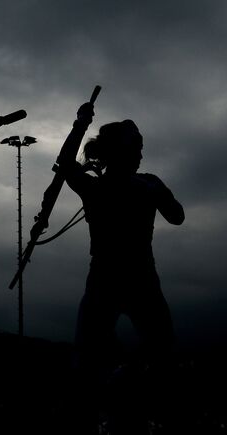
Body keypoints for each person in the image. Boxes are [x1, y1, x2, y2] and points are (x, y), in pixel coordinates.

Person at [65, 120, 184, 433]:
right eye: (137, 149)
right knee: (159, 354)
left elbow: (65, 165)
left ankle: (120, 403)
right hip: (129, 277)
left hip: (118, 276)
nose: (141, 156)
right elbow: (177, 215)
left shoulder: (100, 186)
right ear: (122, 152)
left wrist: (79, 126)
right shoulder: (138, 185)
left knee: (89, 360)